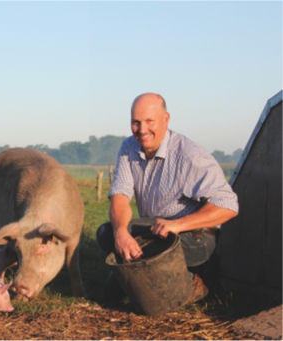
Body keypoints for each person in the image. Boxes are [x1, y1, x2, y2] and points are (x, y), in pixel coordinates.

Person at [97, 92, 239, 304]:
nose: (142, 129)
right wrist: (121, 233)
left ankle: (195, 282)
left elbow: (229, 205)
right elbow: (120, 197)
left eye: (149, 121)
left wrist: (179, 224)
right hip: (156, 229)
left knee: (129, 285)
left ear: (166, 119)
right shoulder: (129, 148)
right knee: (106, 234)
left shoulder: (188, 155)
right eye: (136, 122)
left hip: (194, 236)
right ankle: (150, 278)